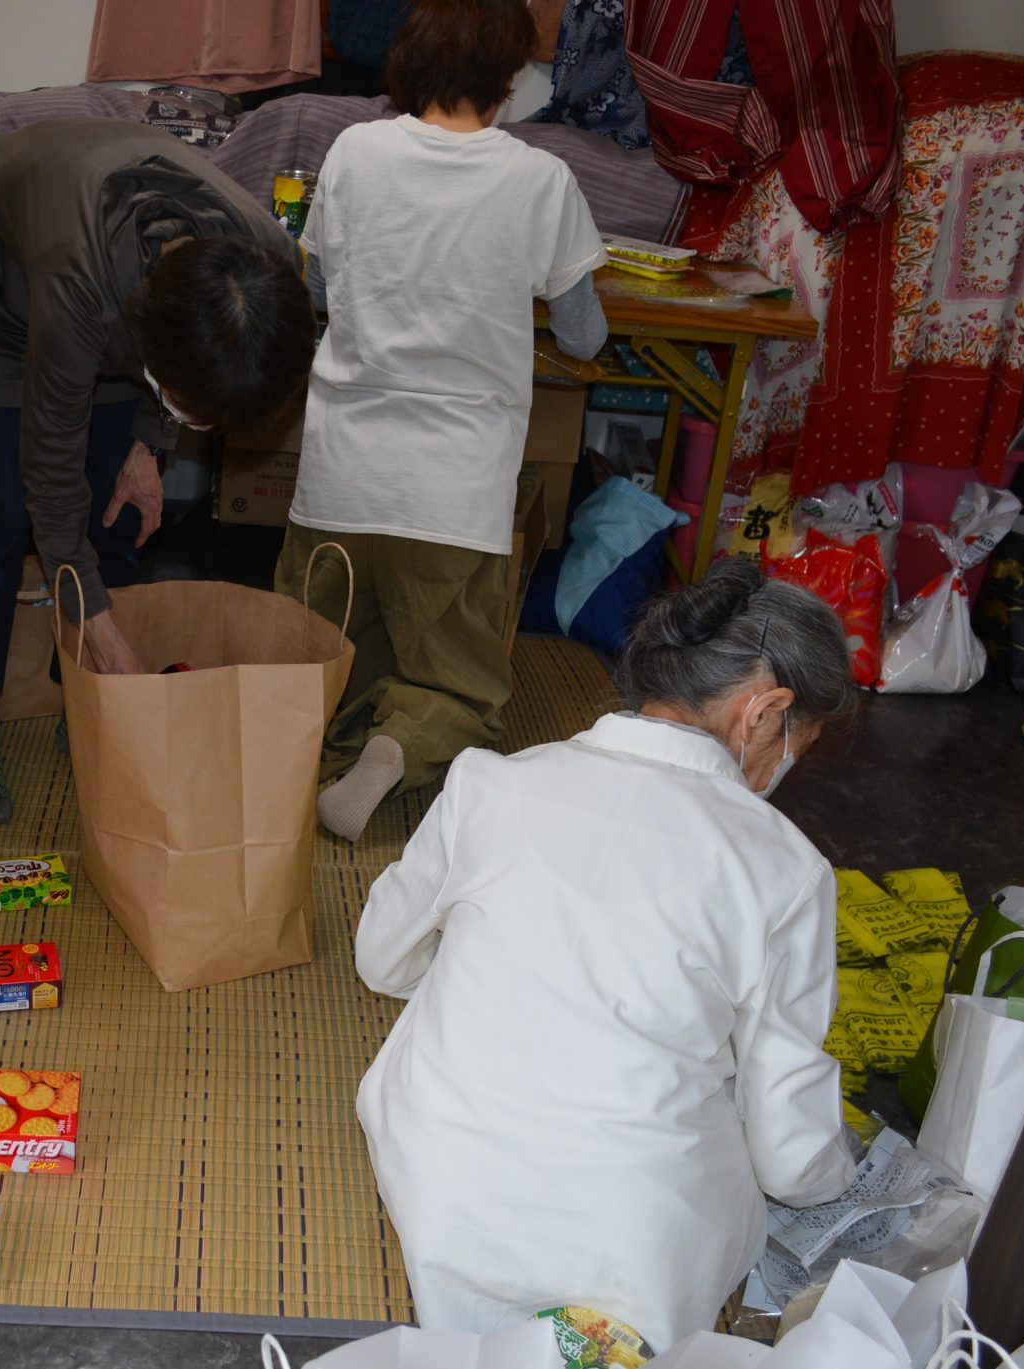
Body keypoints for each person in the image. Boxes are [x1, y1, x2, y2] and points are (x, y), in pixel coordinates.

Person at [353, 560, 860, 1350]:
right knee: (731, 1106)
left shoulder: (492, 781)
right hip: (632, 1256)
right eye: (804, 742)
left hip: (443, 1190)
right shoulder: (785, 868)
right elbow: (792, 1157)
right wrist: (843, 1173)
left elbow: (380, 960)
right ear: (766, 710)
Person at [275, 0, 611, 840]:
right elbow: (581, 334)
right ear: (506, 79)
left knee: (320, 657)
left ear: (409, 62)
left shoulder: (355, 151)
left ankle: (313, 752)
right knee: (460, 682)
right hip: (455, 492)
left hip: (340, 477)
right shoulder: (540, 179)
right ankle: (402, 745)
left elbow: (314, 292)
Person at [0, 119, 314, 825]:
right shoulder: (81, 292)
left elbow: (191, 370)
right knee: (6, 511)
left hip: (121, 296)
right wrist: (97, 623)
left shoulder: (267, 263)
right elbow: (51, 466)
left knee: (121, 505)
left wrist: (147, 444)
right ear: (155, 362)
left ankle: (86, 695)